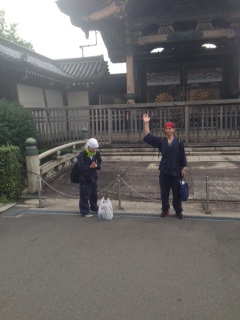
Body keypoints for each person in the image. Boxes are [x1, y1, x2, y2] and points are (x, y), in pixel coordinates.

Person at [142, 114, 187, 219]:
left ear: (173, 130)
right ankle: (165, 209)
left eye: (169, 128)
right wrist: (146, 123)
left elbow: (182, 157)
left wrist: (182, 168)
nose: (168, 130)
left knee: (177, 193)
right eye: (166, 129)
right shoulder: (161, 141)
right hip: (164, 171)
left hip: (176, 172)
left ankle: (178, 211)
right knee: (164, 193)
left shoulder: (179, 142)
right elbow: (147, 136)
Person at [77, 138, 102, 217]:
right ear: (89, 147)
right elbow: (81, 166)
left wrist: (97, 165)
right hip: (84, 177)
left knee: (94, 193)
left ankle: (94, 207)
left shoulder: (96, 153)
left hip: (93, 176)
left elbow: (99, 161)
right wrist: (89, 166)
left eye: (95, 148)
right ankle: (84, 211)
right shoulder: (82, 154)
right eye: (93, 148)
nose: (94, 150)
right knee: (85, 194)